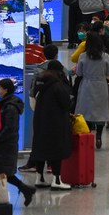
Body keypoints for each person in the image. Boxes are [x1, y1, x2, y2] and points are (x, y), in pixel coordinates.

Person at [29, 61, 73, 190]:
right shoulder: (58, 85)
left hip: (40, 119)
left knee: (40, 147)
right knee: (56, 149)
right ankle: (57, 180)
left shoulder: (39, 82)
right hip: (56, 121)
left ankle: (39, 178)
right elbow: (66, 103)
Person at [0, 79, 36, 206]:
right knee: (4, 172)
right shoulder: (7, 104)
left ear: (5, 89)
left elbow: (8, 129)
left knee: (2, 172)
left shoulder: (10, 107)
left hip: (5, 145)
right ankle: (25, 189)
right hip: (6, 144)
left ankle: (25, 190)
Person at [75, 33, 109, 149]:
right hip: (101, 85)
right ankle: (99, 136)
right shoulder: (105, 56)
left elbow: (79, 73)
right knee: (100, 112)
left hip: (87, 85)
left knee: (86, 111)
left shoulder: (83, 56)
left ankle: (87, 136)